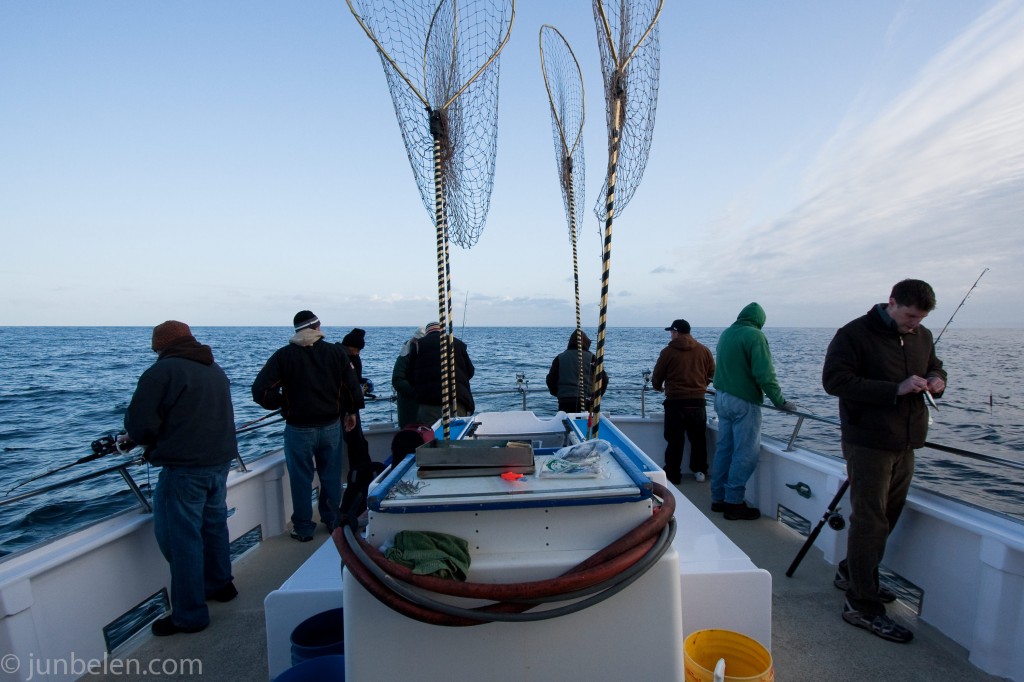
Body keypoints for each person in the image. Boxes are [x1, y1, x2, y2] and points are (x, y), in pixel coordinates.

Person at [822, 279, 946, 644]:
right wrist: (895, 389)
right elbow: (834, 381)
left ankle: (852, 572)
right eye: (909, 316)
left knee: (889, 514)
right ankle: (861, 604)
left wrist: (938, 380)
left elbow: (936, 365)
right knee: (869, 520)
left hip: (906, 442)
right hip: (868, 442)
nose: (914, 324)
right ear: (891, 303)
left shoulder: (922, 335)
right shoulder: (854, 334)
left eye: (920, 319)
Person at [123, 321, 238, 636]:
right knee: (214, 526)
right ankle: (220, 585)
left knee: (181, 539)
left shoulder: (160, 373)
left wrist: (137, 438)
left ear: (160, 346)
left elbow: (140, 426)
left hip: (184, 469)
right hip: (219, 463)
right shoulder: (214, 369)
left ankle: (189, 615)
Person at [251, 311, 360, 542]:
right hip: (331, 426)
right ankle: (332, 521)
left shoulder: (284, 356)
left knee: (300, 479)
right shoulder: (336, 353)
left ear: (297, 330)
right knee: (330, 476)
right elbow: (351, 386)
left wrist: (282, 402)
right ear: (318, 327)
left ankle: (302, 528)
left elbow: (260, 390)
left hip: (298, 429)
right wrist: (351, 412)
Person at [710, 302, 797, 520]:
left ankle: (718, 499)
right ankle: (734, 502)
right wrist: (779, 401)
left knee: (724, 449)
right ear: (760, 321)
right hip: (743, 401)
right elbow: (764, 373)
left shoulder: (727, 334)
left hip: (721, 398)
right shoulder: (755, 336)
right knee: (745, 452)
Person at [651, 319, 715, 484]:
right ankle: (700, 471)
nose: (671, 335)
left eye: (671, 332)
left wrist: (657, 386)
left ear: (675, 332)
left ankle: (673, 473)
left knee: (675, 440)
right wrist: (701, 385)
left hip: (675, 402)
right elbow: (711, 373)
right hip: (698, 401)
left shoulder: (667, 352)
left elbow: (658, 375)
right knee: (698, 439)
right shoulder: (704, 351)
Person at [406, 321, 475, 424]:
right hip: (457, 400)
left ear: (427, 332)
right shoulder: (457, 343)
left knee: (432, 436)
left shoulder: (417, 346)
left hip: (429, 402)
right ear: (443, 330)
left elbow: (410, 376)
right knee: (457, 434)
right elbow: (470, 372)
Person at [545, 330, 606, 413]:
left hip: (565, 401)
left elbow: (550, 380)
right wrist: (596, 397)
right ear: (586, 343)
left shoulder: (559, 358)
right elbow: (604, 379)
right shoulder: (592, 358)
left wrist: (559, 393)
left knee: (566, 424)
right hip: (586, 401)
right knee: (584, 424)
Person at [391, 326, 426, 427]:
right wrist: (417, 392)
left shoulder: (424, 355)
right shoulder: (405, 356)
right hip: (408, 404)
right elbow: (397, 380)